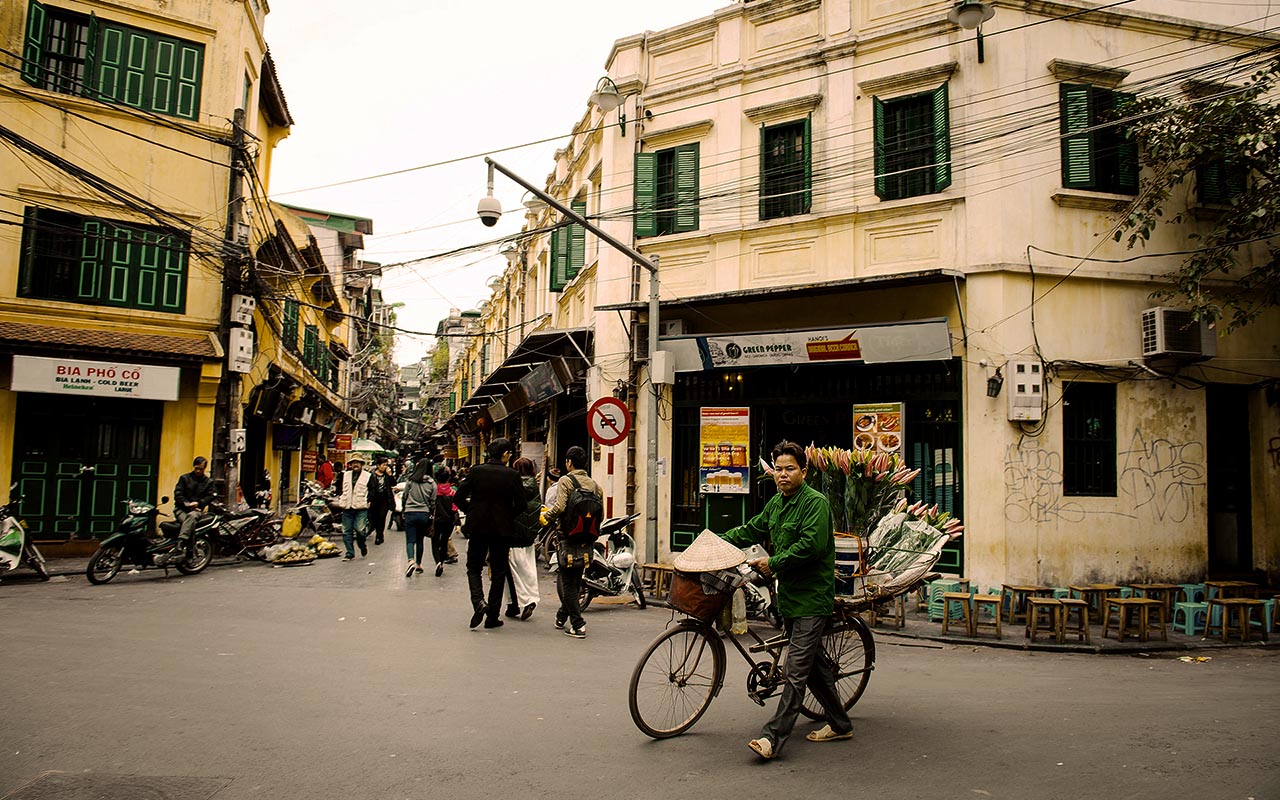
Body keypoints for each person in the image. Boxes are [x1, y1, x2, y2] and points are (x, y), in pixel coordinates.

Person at [717, 439, 854, 760]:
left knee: (795, 671)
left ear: (803, 471)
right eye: (778, 469)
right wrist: (716, 540)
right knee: (815, 666)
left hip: (812, 598)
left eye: (789, 469)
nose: (782, 474)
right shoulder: (776, 504)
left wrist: (773, 562)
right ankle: (840, 723)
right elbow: (752, 529)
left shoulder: (815, 503)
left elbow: (812, 546)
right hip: (789, 598)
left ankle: (772, 737)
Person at [453, 438, 526, 630]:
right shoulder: (512, 475)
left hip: (477, 528)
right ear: (504, 454)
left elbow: (458, 496)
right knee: (499, 571)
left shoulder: (476, 471)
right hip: (501, 531)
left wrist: (471, 511)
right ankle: (492, 616)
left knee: (473, 568)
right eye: (509, 453)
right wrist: (506, 516)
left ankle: (478, 602)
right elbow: (522, 504)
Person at [542, 445, 600, 639]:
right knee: (575, 579)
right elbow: (601, 513)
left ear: (569, 462)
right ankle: (561, 616)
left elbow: (559, 507)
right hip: (587, 538)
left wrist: (546, 518)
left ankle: (578, 624)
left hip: (567, 536)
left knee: (568, 581)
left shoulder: (565, 481)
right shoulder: (594, 485)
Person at [504, 457, 542, 621]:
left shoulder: (513, 485)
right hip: (529, 535)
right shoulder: (535, 486)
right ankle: (517, 603)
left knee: (513, 571)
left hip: (513, 533)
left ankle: (524, 601)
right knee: (528, 569)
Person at [400, 459, 437, 578]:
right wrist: (431, 512)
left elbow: (405, 495)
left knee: (410, 540)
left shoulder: (411, 480)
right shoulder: (432, 483)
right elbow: (433, 501)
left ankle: (410, 560)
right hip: (424, 514)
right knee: (420, 539)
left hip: (410, 513)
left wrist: (403, 509)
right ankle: (419, 564)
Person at [334, 453, 372, 561]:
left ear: (361, 464)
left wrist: (369, 500)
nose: (355, 465)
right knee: (346, 531)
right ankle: (350, 553)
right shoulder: (345, 475)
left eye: (357, 463)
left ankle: (362, 545)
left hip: (361, 507)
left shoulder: (368, 476)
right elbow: (339, 488)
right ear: (350, 464)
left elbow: (372, 490)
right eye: (353, 463)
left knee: (360, 530)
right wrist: (341, 495)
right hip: (347, 506)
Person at [173, 456, 216, 543]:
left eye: (201, 469)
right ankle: (188, 547)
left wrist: (199, 503)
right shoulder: (184, 478)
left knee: (192, 517)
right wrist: (188, 504)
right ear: (194, 466)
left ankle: (181, 541)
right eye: (196, 468)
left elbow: (210, 496)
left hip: (196, 511)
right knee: (190, 523)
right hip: (181, 509)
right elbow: (178, 494)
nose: (198, 471)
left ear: (204, 468)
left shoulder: (208, 482)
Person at [431, 465, 459, 577]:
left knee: (435, 542)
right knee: (444, 542)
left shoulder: (434, 491)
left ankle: (437, 562)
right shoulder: (452, 492)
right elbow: (454, 509)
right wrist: (457, 523)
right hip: (448, 521)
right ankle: (442, 562)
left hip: (436, 521)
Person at [368, 458, 395, 545]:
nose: (385, 467)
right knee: (374, 518)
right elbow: (369, 488)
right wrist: (369, 500)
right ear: (378, 465)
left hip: (385, 500)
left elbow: (393, 483)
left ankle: (379, 536)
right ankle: (377, 532)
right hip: (374, 500)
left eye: (386, 465)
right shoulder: (372, 475)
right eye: (383, 465)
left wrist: (390, 475)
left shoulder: (387, 475)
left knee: (382, 517)